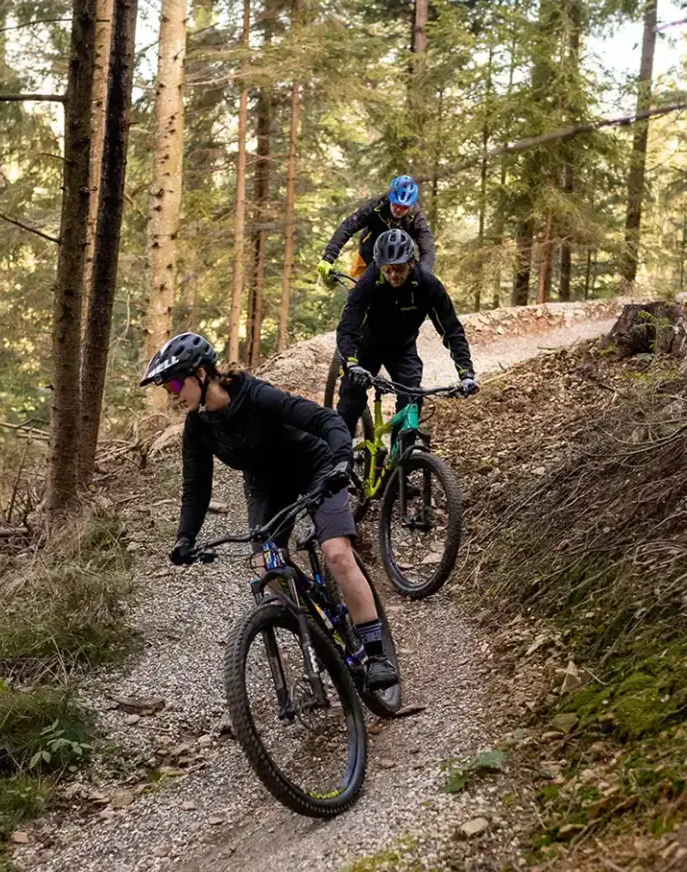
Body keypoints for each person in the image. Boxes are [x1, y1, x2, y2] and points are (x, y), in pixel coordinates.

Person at [141, 332, 400, 690]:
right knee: (267, 567)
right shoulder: (198, 426)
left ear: (200, 374)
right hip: (266, 487)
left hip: (317, 468)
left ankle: (376, 655)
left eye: (173, 382)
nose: (171, 393)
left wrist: (342, 463)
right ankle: (315, 637)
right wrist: (185, 537)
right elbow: (196, 486)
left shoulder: (256, 395)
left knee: (336, 554)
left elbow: (326, 421)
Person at [334, 228, 479, 440]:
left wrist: (466, 373)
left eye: (399, 268)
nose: (394, 275)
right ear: (379, 266)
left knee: (412, 399)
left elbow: (452, 330)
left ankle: (401, 462)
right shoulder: (368, 283)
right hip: (365, 348)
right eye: (388, 269)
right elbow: (347, 328)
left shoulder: (428, 286)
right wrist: (352, 363)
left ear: (411, 262)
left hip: (402, 349)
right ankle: (339, 460)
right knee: (350, 400)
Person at [315, 175, 436, 284]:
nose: (398, 210)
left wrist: (423, 273)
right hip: (368, 255)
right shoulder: (377, 205)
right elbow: (348, 226)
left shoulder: (416, 217)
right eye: (395, 205)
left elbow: (428, 248)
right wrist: (328, 257)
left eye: (404, 208)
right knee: (356, 295)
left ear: (410, 206)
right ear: (390, 198)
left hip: (398, 262)